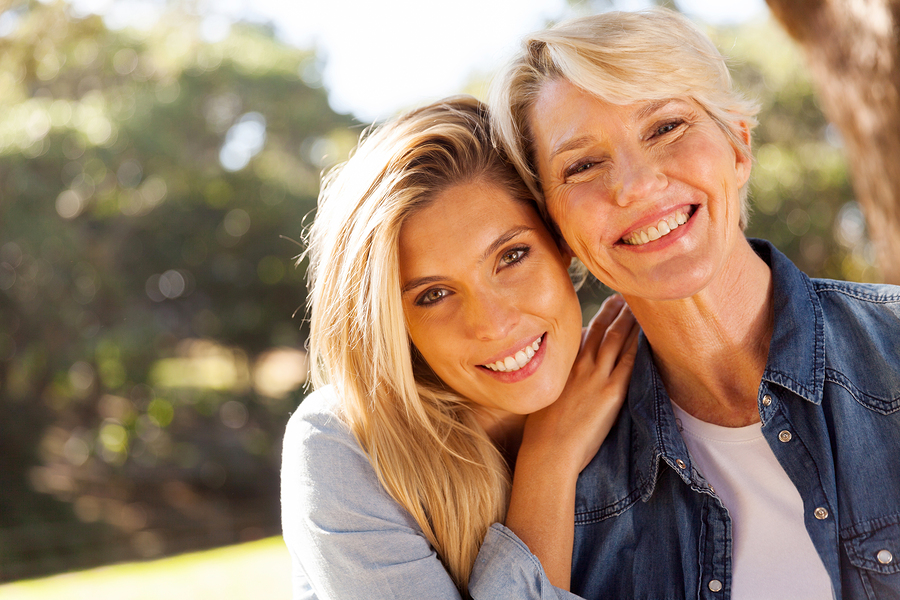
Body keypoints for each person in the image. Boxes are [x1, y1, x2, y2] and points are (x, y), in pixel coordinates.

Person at [489, 7, 900, 599]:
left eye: (666, 127)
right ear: (555, 229)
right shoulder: (551, 480)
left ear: (738, 146)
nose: (635, 184)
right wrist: (545, 467)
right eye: (582, 165)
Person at [280, 96, 638, 599]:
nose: (492, 325)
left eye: (511, 256)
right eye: (434, 295)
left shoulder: (646, 380)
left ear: (560, 241)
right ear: (393, 323)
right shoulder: (345, 442)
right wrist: (549, 460)